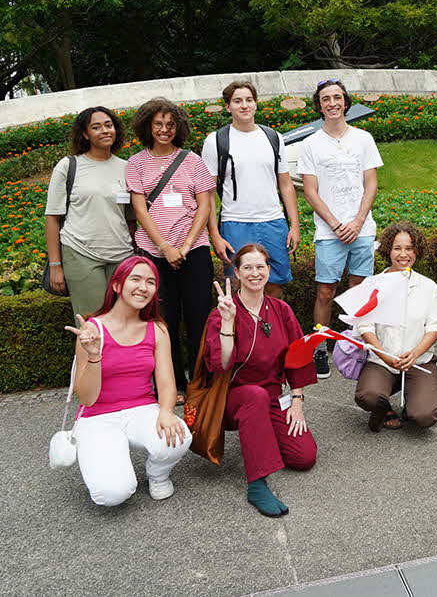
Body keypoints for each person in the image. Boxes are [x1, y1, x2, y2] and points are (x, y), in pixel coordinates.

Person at [64, 256, 191, 506]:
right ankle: (102, 452)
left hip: (142, 409)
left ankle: (157, 473)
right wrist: (94, 356)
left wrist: (165, 411)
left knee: (179, 437)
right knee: (112, 495)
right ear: (117, 285)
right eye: (135, 279)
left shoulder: (156, 328)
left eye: (151, 282)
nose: (143, 287)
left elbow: (166, 383)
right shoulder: (92, 330)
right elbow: (87, 398)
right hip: (98, 415)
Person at [204, 244, 318, 517]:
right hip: (232, 398)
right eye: (247, 268)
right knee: (254, 396)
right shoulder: (222, 313)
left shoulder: (280, 309)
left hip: (273, 397)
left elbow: (297, 358)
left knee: (304, 457)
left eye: (260, 267)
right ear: (237, 273)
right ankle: (257, 485)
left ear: (268, 270)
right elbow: (220, 364)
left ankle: (263, 434)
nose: (255, 273)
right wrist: (228, 324)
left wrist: (297, 402)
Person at [126, 98, 215, 394]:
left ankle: (201, 382)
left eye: (170, 124)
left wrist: (186, 245)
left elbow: (205, 204)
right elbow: (139, 209)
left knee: (199, 317)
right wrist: (164, 246)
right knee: (164, 322)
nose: (164, 130)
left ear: (178, 127)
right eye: (158, 124)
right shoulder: (136, 164)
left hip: (195, 250)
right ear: (148, 126)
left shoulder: (192, 160)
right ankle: (173, 384)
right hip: (153, 253)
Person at [297, 79, 383, 378]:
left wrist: (358, 220)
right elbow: (310, 191)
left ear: (345, 102)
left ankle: (353, 344)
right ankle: (320, 348)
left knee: (359, 291)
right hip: (328, 232)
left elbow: (371, 183)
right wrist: (335, 224)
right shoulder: (310, 144)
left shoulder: (363, 138)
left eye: (337, 97)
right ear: (319, 105)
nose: (332, 103)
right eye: (325, 99)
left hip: (362, 227)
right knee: (325, 291)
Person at [203, 80, 300, 298]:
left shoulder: (273, 137)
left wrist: (294, 226)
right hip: (235, 223)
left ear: (256, 104)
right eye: (237, 101)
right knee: (239, 288)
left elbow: (285, 184)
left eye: (249, 100)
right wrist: (215, 235)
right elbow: (208, 193)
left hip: (273, 222)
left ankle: (273, 331)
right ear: (228, 106)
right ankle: (241, 333)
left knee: (275, 286)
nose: (244, 105)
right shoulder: (216, 141)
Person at [355, 222, 437, 431]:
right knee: (368, 396)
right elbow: (365, 326)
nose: (403, 254)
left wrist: (414, 354)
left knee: (423, 415)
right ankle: (384, 408)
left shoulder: (428, 286)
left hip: (418, 361)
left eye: (409, 248)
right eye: (397, 248)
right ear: (388, 249)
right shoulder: (373, 284)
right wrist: (386, 355)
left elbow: (434, 327)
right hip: (382, 360)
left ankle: (412, 401)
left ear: (417, 251)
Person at [45, 107, 135, 318]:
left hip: (121, 256)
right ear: (85, 134)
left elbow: (131, 217)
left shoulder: (127, 167)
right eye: (96, 127)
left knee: (125, 321)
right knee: (92, 325)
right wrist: (56, 265)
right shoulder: (69, 166)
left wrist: (133, 250)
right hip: (81, 253)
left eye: (108, 125)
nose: (104, 131)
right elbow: (52, 219)